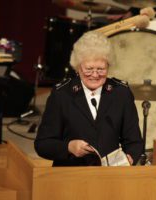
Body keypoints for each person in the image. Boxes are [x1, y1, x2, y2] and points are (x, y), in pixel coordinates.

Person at [34, 31, 143, 166]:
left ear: (108, 66)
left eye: (101, 69)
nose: (95, 75)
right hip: (70, 175)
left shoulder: (121, 93)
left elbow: (134, 142)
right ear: (78, 67)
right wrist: (68, 147)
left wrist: (129, 158)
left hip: (110, 176)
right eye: (89, 69)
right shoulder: (61, 95)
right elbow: (42, 144)